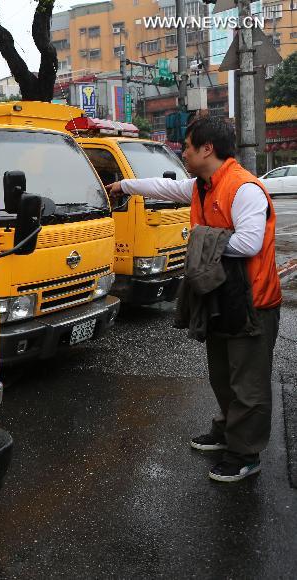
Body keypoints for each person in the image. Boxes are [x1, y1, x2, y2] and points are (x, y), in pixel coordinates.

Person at [106, 116, 281, 483]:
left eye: (186, 146)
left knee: (247, 384)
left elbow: (249, 242)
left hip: (252, 303)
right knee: (221, 375)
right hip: (219, 296)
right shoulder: (202, 185)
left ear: (207, 149)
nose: (181, 152)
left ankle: (245, 452)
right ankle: (226, 431)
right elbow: (163, 187)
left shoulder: (244, 188)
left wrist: (200, 241)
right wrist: (124, 184)